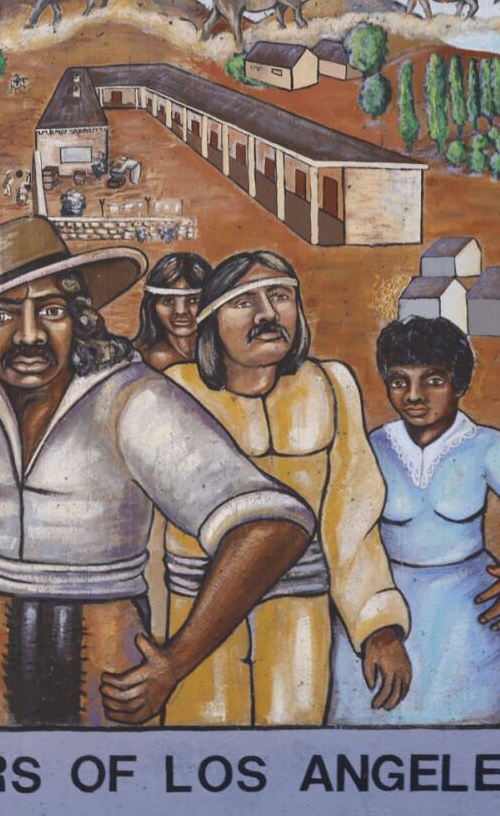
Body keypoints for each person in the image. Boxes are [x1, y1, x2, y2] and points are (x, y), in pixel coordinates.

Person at [0, 216, 314, 727]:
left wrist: (177, 660)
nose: (30, 335)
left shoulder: (132, 398)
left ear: (80, 317)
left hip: (105, 649)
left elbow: (273, 524)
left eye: (52, 310)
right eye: (0, 316)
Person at [161, 250, 411, 725]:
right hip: (196, 612)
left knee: (293, 742)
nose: (267, 315)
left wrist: (377, 626)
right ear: (211, 321)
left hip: (300, 609)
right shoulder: (174, 391)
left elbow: (352, 519)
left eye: (279, 297)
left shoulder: (331, 386)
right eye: (243, 302)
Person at [330, 316, 500, 726]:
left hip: (468, 614)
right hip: (387, 605)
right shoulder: (373, 447)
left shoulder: (488, 446)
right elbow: (342, 531)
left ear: (459, 383)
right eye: (399, 381)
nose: (414, 396)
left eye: (433, 381)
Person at [132, 251, 212, 372]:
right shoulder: (150, 360)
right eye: (168, 301)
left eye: (194, 300)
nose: (181, 311)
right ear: (152, 306)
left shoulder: (227, 356)